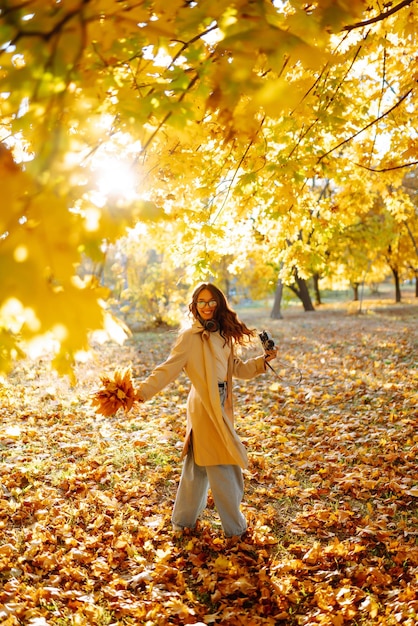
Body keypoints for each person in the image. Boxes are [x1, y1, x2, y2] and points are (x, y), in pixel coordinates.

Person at [135, 283, 277, 540]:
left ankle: (182, 522)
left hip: (221, 401)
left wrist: (263, 361)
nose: (207, 306)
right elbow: (168, 368)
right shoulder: (190, 337)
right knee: (224, 463)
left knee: (198, 465)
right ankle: (236, 530)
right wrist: (141, 392)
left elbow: (236, 368)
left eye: (212, 301)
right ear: (195, 306)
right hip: (204, 405)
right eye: (201, 302)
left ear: (219, 303)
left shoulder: (222, 334)